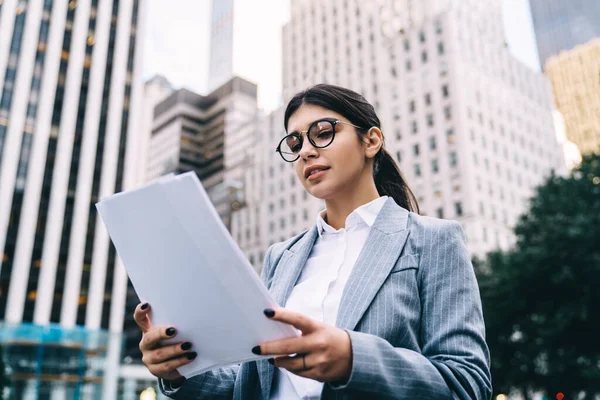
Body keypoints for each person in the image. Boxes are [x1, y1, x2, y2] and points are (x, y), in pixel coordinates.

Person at [134, 84, 492, 399]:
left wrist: (353, 359)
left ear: (371, 141)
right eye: (295, 141)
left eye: (322, 133)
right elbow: (248, 383)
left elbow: (468, 383)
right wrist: (178, 371)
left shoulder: (433, 240)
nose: (305, 150)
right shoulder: (281, 257)